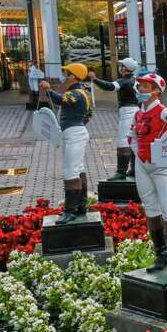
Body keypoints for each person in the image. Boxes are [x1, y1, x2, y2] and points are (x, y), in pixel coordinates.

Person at [128, 72, 167, 276]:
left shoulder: (163, 111)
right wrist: (139, 154)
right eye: (139, 86)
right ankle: (161, 254)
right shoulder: (137, 113)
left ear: (156, 91)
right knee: (150, 209)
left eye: (145, 87)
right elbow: (132, 136)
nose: (140, 89)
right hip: (142, 164)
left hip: (162, 166)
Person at [39, 63, 94, 225]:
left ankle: (70, 211)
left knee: (70, 171)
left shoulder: (75, 93)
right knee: (78, 169)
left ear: (74, 77)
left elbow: (62, 100)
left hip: (74, 134)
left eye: (67, 74)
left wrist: (48, 89)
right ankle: (81, 205)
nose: (64, 77)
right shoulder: (84, 91)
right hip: (76, 132)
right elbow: (89, 115)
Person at [89, 57, 140, 181]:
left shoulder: (123, 81)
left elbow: (110, 86)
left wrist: (95, 79)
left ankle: (121, 172)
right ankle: (134, 169)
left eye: (122, 66)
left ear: (126, 68)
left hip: (127, 112)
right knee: (134, 140)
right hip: (137, 110)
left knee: (123, 140)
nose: (120, 68)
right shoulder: (136, 80)